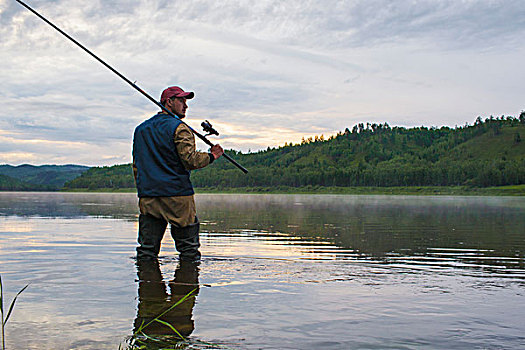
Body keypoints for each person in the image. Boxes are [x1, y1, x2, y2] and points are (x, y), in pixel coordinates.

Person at [132, 86, 223, 262]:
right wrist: (212, 156)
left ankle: (147, 285)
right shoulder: (181, 129)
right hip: (178, 196)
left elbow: (137, 165)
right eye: (181, 100)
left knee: (147, 251)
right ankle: (187, 286)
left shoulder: (140, 130)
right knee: (188, 250)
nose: (185, 106)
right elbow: (190, 160)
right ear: (169, 102)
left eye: (185, 101)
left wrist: (143, 190)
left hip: (149, 196)